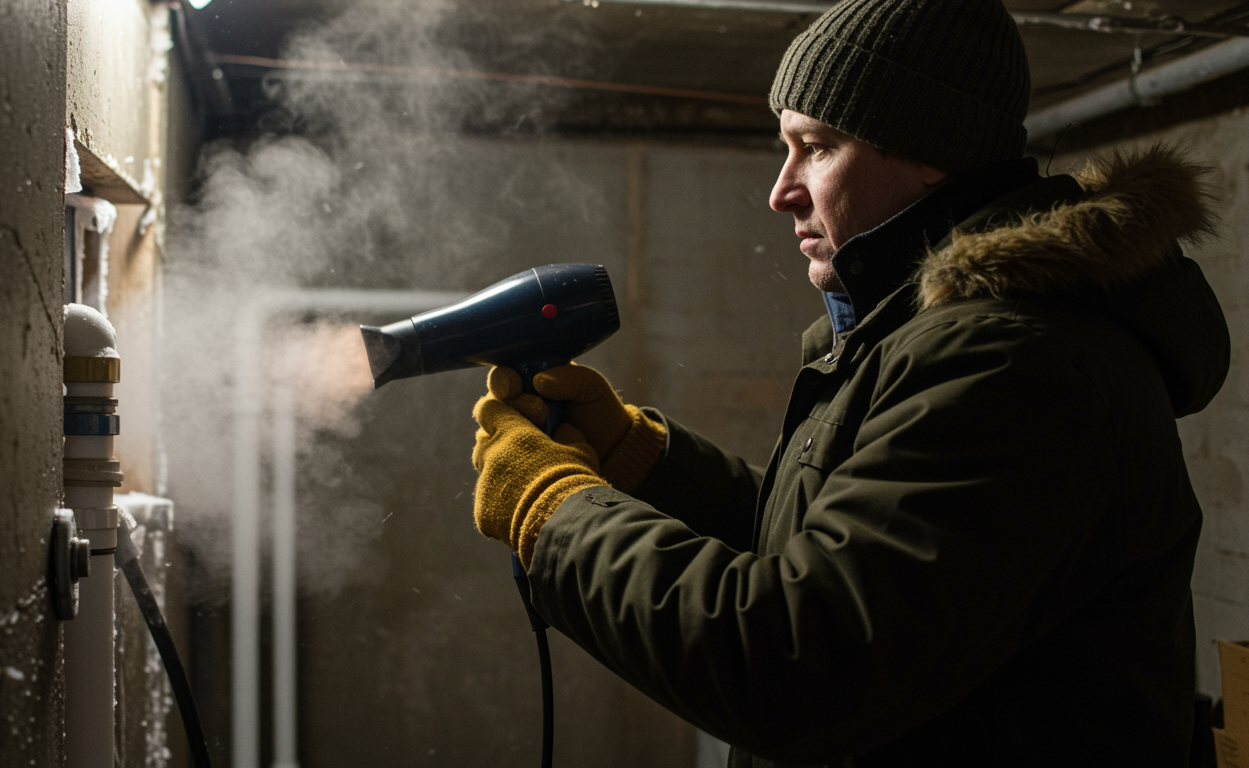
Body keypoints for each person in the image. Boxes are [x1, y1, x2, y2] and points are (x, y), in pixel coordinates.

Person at [469, 0, 1230, 764]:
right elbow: (832, 554)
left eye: (816, 148)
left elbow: (797, 660)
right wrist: (641, 461)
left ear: (931, 149)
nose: (782, 190)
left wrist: (554, 512)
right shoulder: (924, 335)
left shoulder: (1015, 362)